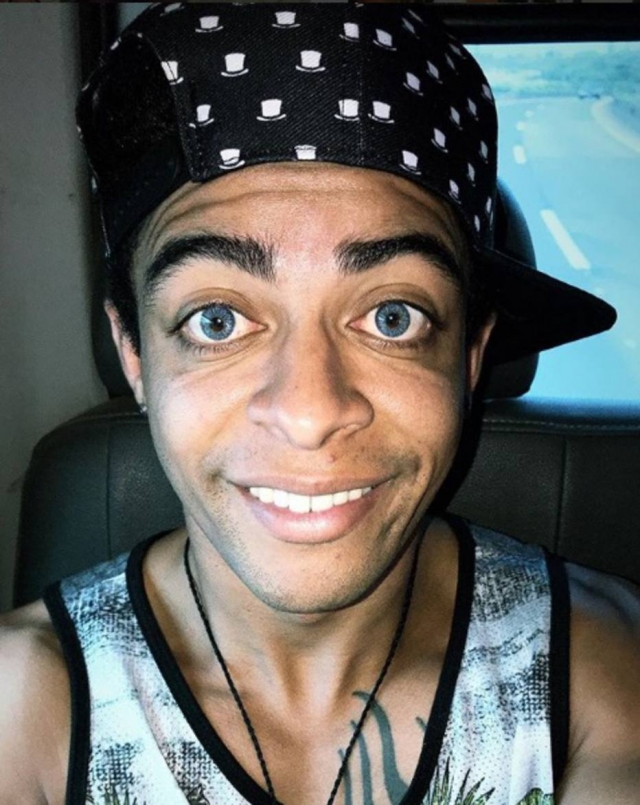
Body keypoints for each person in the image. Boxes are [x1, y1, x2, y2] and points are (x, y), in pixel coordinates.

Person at [1, 4, 639, 804]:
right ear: (135, 354)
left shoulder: (602, 675)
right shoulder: (26, 702)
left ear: (471, 355)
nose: (309, 414)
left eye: (393, 317)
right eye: (217, 320)